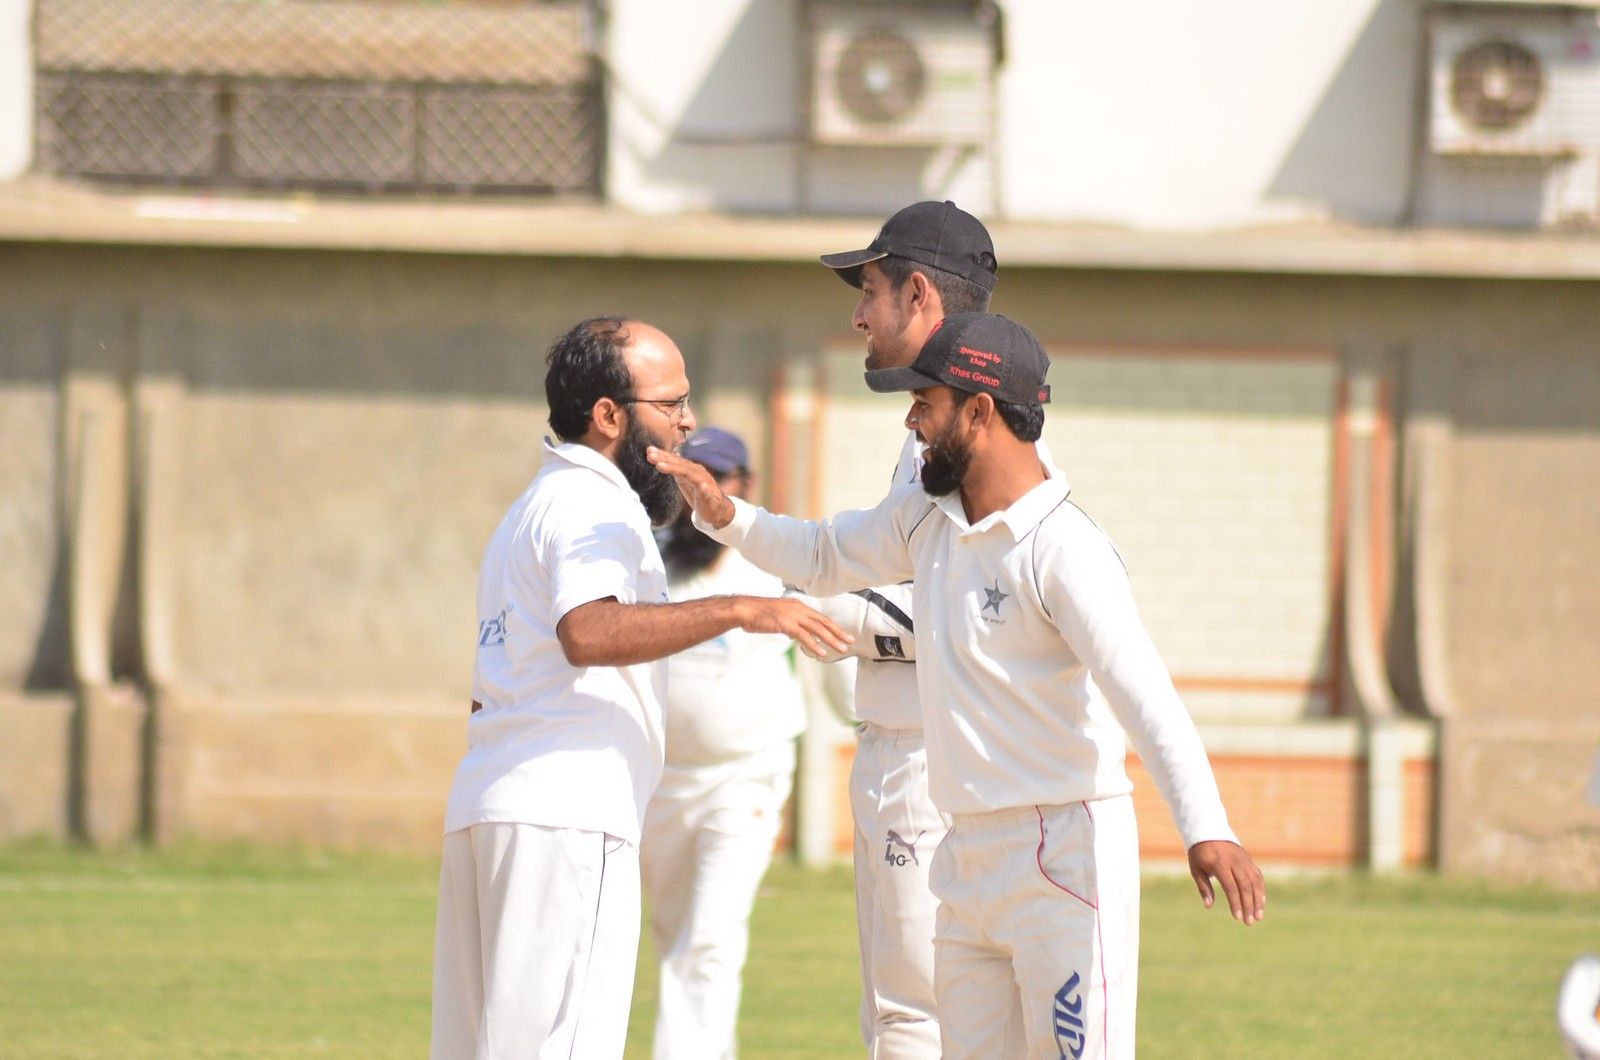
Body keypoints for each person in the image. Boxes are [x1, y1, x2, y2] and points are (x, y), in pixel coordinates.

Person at [649, 312, 1267, 1060]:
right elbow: (822, 555)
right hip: (962, 855)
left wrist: (1207, 828)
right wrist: (724, 516)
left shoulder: (1064, 549)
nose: (911, 421)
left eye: (925, 403)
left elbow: (1145, 697)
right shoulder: (926, 519)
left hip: (1063, 855)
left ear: (979, 411)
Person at [429, 318, 849, 1060]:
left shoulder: (533, 505)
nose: (688, 421)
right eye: (672, 403)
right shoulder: (597, 504)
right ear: (608, 414)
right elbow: (588, 632)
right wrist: (741, 609)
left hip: (495, 807)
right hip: (567, 815)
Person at [805, 199, 1000, 1058]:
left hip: (927, 757)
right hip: (920, 751)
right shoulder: (940, 420)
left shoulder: (967, 427)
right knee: (920, 1011)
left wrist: (815, 614)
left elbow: (971, 607)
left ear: (919, 294)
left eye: (871, 291)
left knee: (913, 1014)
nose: (859, 316)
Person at [640, 426, 807, 1060]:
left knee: (710, 938)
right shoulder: (649, 558)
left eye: (711, 479)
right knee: (675, 936)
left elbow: (835, 634)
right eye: (684, 479)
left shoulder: (772, 560)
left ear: (744, 485)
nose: (696, 494)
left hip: (746, 775)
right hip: (663, 779)